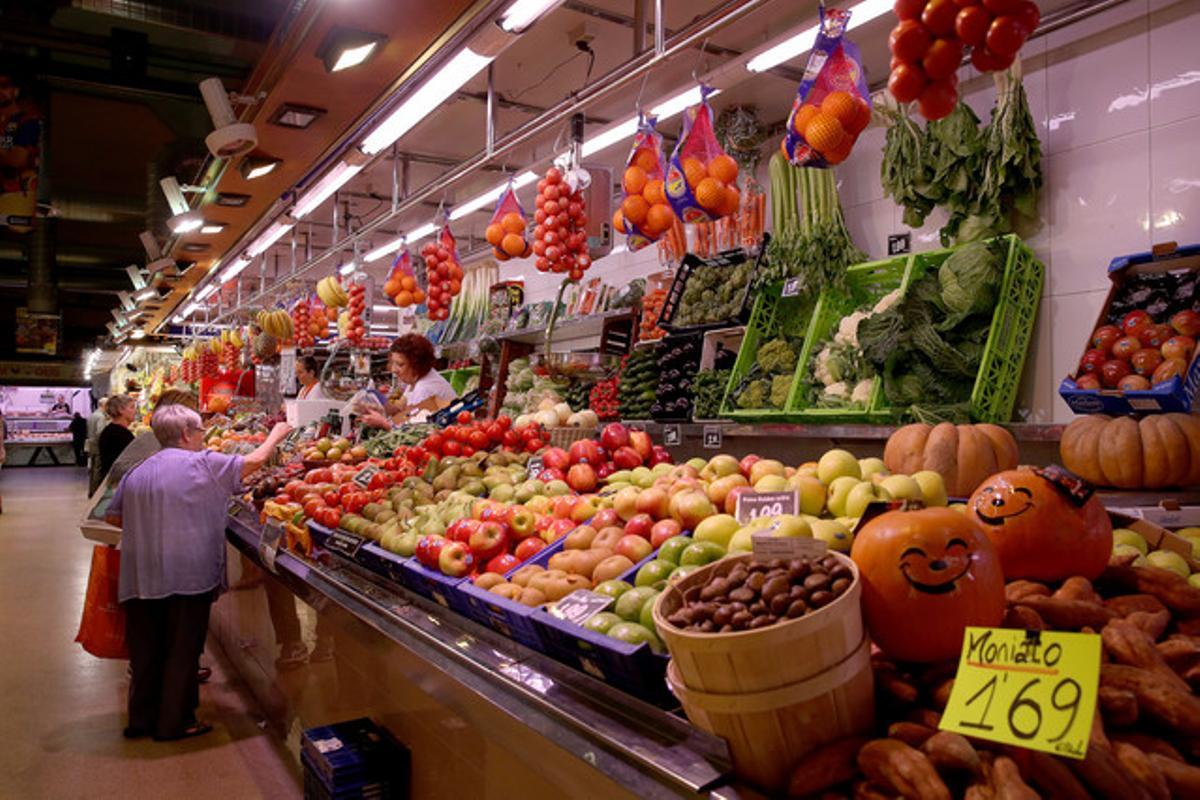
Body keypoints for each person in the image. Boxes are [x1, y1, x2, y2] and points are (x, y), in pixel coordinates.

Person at [105, 405, 291, 740]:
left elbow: (113, 518)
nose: (203, 438)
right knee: (182, 649)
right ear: (188, 434)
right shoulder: (202, 463)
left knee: (146, 650)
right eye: (201, 432)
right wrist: (278, 434)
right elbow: (253, 463)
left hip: (140, 577)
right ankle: (175, 723)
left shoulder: (138, 471)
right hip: (186, 576)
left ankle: (142, 721)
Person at [360, 334, 455, 429]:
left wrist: (384, 423)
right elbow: (399, 408)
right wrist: (378, 406)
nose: (393, 369)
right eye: (393, 363)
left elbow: (416, 434)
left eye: (400, 365)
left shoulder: (425, 388)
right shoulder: (416, 380)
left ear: (417, 364)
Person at [97, 394, 136, 482]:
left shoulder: (111, 430)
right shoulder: (120, 434)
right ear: (121, 410)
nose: (135, 411)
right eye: (132, 407)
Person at [86, 398, 109, 496]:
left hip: (91, 444)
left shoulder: (92, 415)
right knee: (97, 470)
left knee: (92, 470)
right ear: (104, 405)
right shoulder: (101, 417)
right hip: (97, 445)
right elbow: (100, 432)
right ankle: (95, 492)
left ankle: (91, 491)